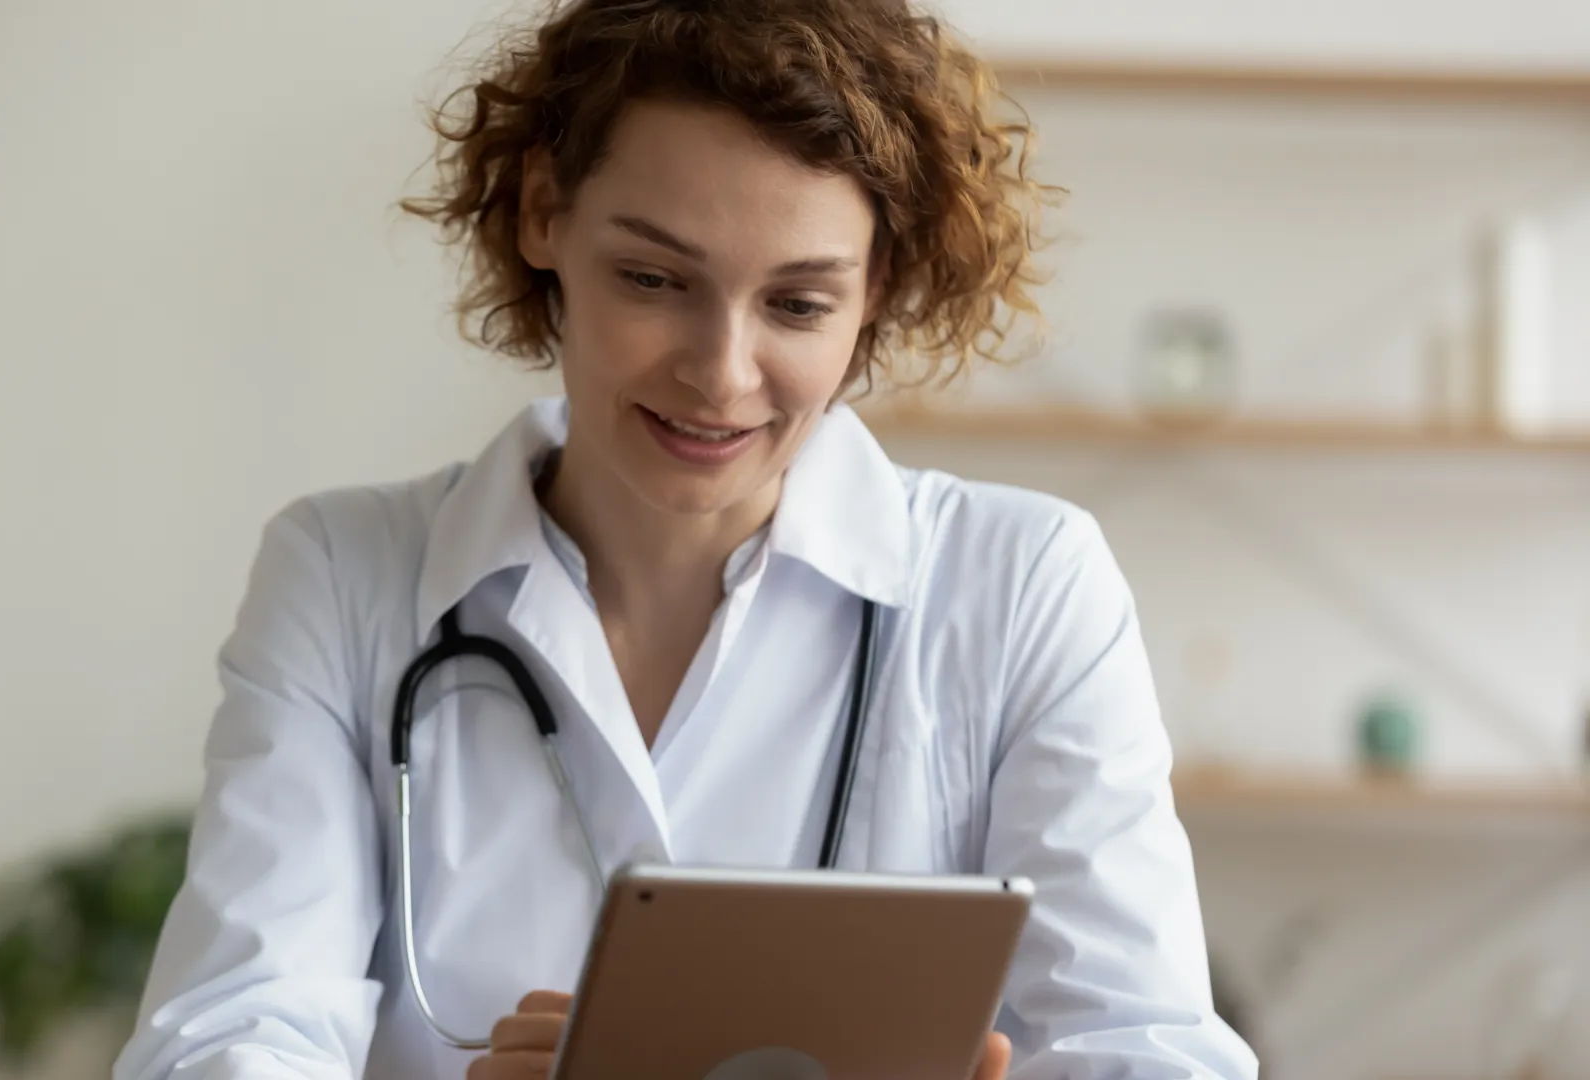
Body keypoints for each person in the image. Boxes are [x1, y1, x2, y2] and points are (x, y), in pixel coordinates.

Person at [114, 0, 1260, 1077]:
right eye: (654, 278)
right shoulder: (344, 574)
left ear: (881, 286)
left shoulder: (1021, 587)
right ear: (541, 212)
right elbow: (233, 1031)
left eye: (799, 304)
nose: (720, 373)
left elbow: (1150, 1045)